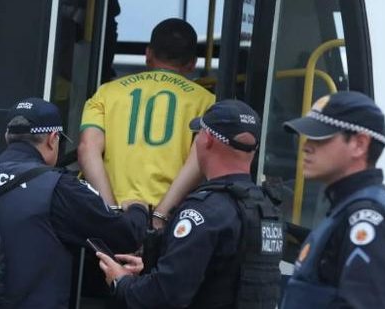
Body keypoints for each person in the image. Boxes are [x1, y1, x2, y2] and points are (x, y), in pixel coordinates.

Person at [0, 98, 148, 308]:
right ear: (53, 139)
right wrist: (138, 209)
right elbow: (125, 236)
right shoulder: (57, 186)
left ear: (7, 136)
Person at [96, 100, 284, 309]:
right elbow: (229, 277)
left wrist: (121, 281)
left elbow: (163, 298)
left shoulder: (203, 212)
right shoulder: (267, 210)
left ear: (208, 139)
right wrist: (154, 268)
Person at [280, 91, 385, 309]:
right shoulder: (353, 209)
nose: (306, 145)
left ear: (359, 144)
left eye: (320, 136)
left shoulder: (369, 220)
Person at [78, 18, 215, 208]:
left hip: (113, 215)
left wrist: (110, 211)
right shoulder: (207, 101)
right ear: (192, 63)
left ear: (148, 54)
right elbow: (200, 159)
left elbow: (87, 148)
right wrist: (161, 213)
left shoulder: (107, 92)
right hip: (173, 219)